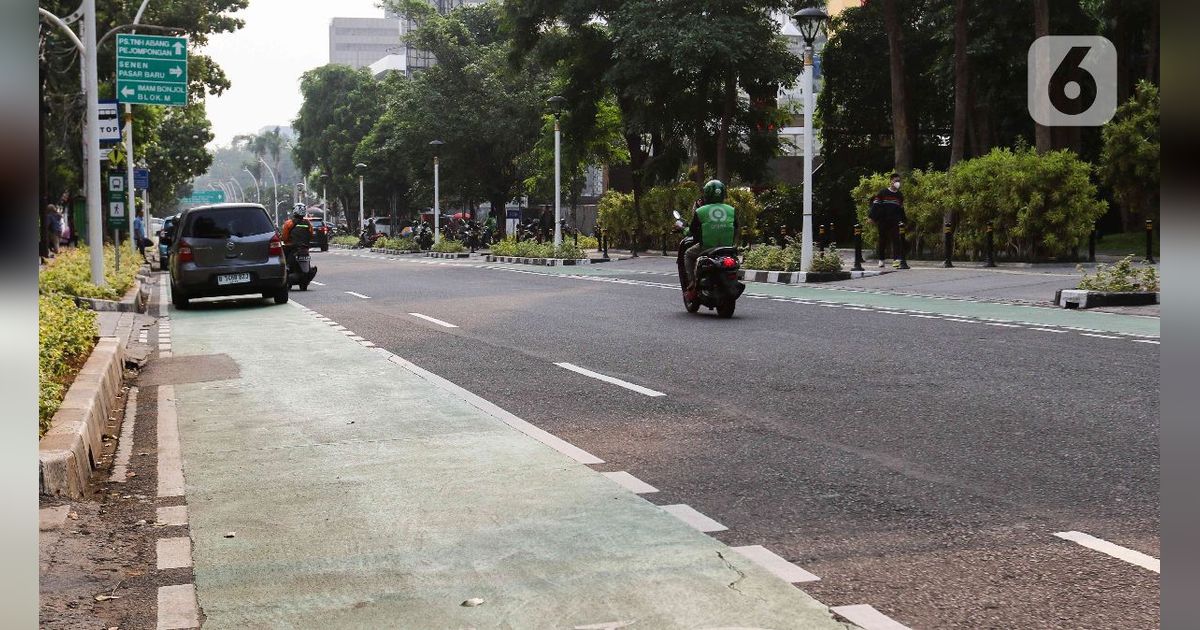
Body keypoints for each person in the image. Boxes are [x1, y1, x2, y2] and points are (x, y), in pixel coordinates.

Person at [684, 179, 738, 302]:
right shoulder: (731, 210)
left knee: (688, 254)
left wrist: (684, 230)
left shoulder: (700, 211)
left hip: (707, 247)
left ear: (706, 194)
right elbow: (736, 227)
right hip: (727, 248)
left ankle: (692, 284)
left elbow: (692, 230)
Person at [868, 173, 906, 268]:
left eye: (899, 181)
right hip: (883, 220)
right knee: (883, 240)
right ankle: (881, 259)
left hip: (895, 220)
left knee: (896, 239)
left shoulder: (899, 195)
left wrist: (904, 220)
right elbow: (875, 205)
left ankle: (896, 260)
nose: (897, 183)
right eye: (895, 181)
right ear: (891, 181)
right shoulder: (883, 193)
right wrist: (872, 217)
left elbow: (901, 209)